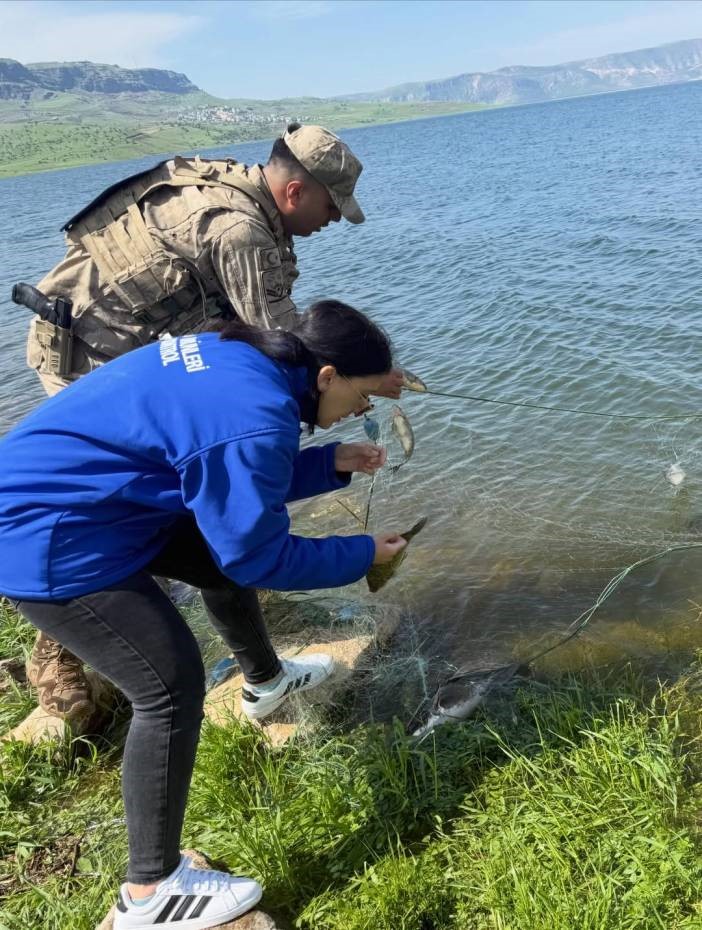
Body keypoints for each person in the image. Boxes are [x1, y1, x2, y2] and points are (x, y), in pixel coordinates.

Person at [0, 300, 407, 928]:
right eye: (362, 396)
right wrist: (360, 554)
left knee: (213, 559)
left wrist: (328, 463)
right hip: (49, 539)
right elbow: (256, 553)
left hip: (94, 505)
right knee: (167, 687)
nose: (364, 411)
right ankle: (150, 891)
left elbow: (216, 473)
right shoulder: (259, 412)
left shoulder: (236, 356)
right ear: (324, 375)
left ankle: (267, 683)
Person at [22, 122, 404, 722]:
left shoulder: (238, 189)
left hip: (152, 368)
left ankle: (259, 671)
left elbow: (278, 373)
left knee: (218, 522)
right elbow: (285, 353)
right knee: (170, 530)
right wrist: (356, 550)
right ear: (296, 190)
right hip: (94, 361)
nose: (336, 218)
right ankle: (69, 660)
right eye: (333, 205)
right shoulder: (241, 230)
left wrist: (328, 457)